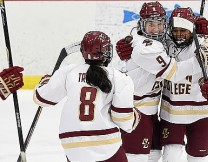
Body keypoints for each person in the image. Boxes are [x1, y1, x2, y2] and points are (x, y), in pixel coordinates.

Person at [115, 2, 208, 162]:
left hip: (150, 110)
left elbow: (180, 45)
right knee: (136, 158)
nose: (156, 29)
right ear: (141, 25)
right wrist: (205, 54)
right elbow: (175, 72)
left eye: (159, 24)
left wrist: (199, 36)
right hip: (136, 110)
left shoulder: (162, 40)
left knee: (154, 154)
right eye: (150, 24)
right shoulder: (145, 48)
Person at [33, 31, 140, 162]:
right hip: (106, 145)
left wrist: (45, 81)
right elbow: (123, 119)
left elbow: (41, 98)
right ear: (107, 52)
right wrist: (135, 116)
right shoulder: (118, 77)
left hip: (73, 146)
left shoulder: (68, 72)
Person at [160, 8, 208, 162]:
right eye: (175, 30)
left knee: (197, 158)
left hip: (202, 114)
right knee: (170, 156)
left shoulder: (206, 46)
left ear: (192, 28)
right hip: (172, 113)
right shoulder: (164, 45)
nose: (178, 34)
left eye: (183, 30)